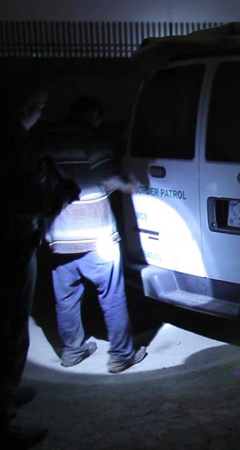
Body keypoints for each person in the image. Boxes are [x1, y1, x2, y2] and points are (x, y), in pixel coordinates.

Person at [35, 96, 147, 374]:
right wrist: (132, 185)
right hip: (97, 235)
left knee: (66, 296)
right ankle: (121, 355)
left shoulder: (45, 139)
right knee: (111, 294)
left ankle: (73, 351)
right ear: (94, 115)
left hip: (59, 235)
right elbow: (109, 177)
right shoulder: (93, 139)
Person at [0, 75, 80, 448]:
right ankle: (4, 419)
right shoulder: (12, 141)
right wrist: (61, 196)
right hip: (11, 248)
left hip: (14, 245)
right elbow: (24, 201)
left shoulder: (16, 139)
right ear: (25, 106)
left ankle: (8, 391)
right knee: (10, 329)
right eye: (41, 106)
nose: (43, 114)